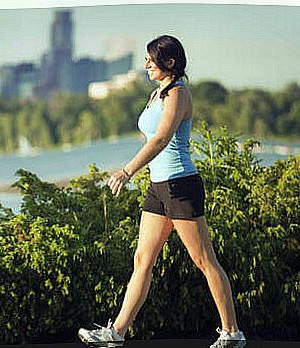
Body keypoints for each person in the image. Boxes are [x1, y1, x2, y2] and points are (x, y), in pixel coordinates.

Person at [77, 35, 246, 348]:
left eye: (151, 60)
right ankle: (115, 334)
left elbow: (161, 139)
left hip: (181, 185)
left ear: (169, 62)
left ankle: (232, 332)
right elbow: (149, 138)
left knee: (204, 260)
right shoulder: (157, 94)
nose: (146, 65)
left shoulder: (178, 94)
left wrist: (127, 171)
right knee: (143, 259)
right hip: (158, 187)